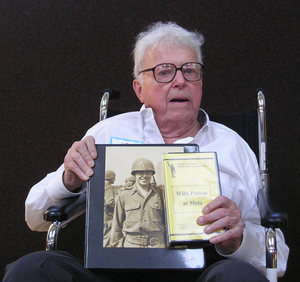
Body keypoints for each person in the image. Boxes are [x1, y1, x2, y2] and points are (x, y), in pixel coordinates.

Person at [3, 21, 289, 282]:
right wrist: (68, 180)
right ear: (139, 89)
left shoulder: (232, 146)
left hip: (204, 273)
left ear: (200, 82)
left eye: (190, 70)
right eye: (164, 72)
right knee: (30, 270)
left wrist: (237, 241)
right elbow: (35, 218)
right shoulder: (106, 133)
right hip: (113, 272)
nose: (180, 81)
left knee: (237, 277)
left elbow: (279, 258)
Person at [110, 158, 165, 248]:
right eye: (140, 172)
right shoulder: (124, 196)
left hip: (158, 245)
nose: (144, 176)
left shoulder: (161, 194)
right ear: (134, 175)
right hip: (132, 245)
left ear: (152, 174)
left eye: (148, 172)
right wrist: (117, 250)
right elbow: (116, 226)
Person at [103, 170, 117, 247]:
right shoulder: (108, 187)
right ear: (110, 178)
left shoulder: (102, 185)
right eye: (114, 177)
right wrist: (119, 203)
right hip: (108, 215)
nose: (114, 179)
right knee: (107, 236)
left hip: (103, 213)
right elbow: (109, 202)